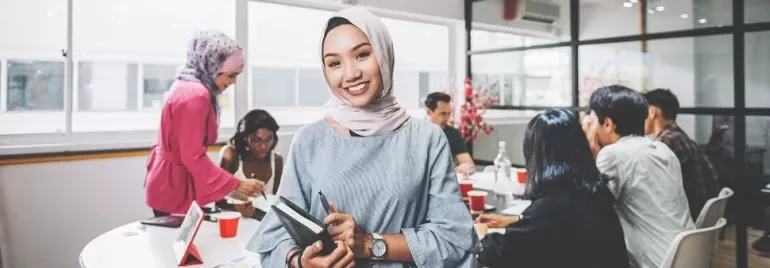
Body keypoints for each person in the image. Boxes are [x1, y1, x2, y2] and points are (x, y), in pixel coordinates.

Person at [248, 7, 479, 268]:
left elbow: (454, 239)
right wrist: (300, 262)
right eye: (335, 63)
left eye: (362, 55)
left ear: (384, 54)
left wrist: (367, 244)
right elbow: (275, 234)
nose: (350, 74)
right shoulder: (309, 141)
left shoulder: (426, 139)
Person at [475, 109, 629, 268]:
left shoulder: (555, 204)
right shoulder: (594, 191)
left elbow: (501, 253)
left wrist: (479, 234)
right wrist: (518, 220)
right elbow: (563, 227)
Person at [144, 30, 262, 216]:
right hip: (174, 186)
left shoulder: (186, 84)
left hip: (168, 182)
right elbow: (193, 156)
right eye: (230, 75)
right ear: (212, 67)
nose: (233, 82)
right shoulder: (196, 96)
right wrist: (237, 184)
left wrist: (231, 188)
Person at [585, 85, 694, 268]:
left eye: (593, 120)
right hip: (688, 255)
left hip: (656, 261)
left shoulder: (613, 155)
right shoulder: (662, 149)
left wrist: (590, 152)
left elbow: (590, 208)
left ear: (608, 124)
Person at [643, 89, 720, 221]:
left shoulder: (665, 143)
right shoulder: (681, 137)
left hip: (682, 222)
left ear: (652, 112)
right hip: (696, 220)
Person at [217, 109, 283, 217]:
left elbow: (275, 199)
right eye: (257, 140)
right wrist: (236, 208)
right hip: (235, 222)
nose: (263, 146)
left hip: (262, 222)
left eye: (269, 139)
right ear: (245, 138)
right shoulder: (231, 155)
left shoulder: (277, 160)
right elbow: (217, 199)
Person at [425, 92, 476, 175]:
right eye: (443, 113)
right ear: (429, 112)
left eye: (449, 113)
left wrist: (467, 166)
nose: (447, 118)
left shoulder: (453, 134)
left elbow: (469, 163)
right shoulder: (416, 133)